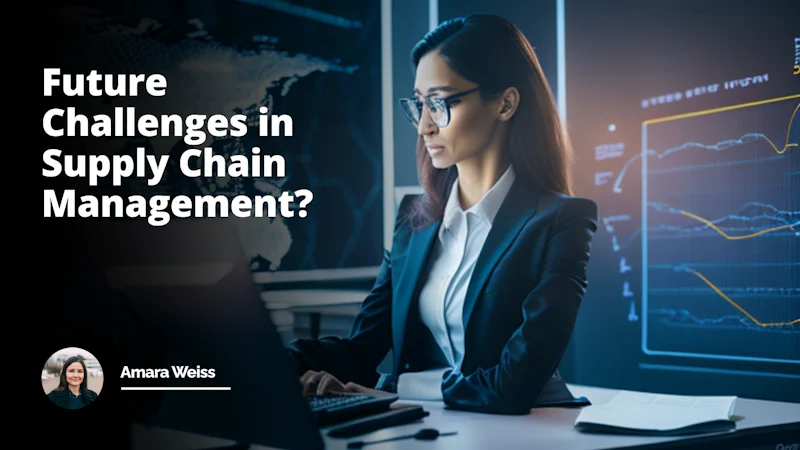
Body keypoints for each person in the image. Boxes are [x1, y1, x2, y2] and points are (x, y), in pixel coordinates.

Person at [287, 13, 598, 415]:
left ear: (505, 103)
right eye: (419, 105)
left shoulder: (562, 221)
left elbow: (513, 383)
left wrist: (400, 389)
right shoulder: (414, 218)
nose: (424, 127)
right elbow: (362, 350)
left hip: (523, 435)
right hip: (431, 431)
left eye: (440, 103)